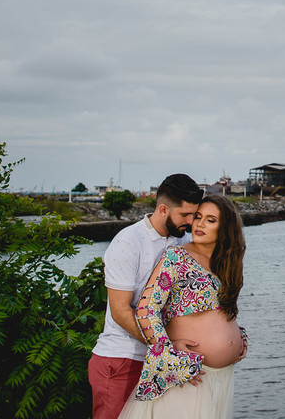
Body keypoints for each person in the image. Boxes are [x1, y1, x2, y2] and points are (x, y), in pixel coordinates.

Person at [118, 194, 248, 418]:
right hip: (187, 371)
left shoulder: (226, 263)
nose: (199, 223)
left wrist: (239, 336)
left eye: (210, 220)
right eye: (198, 217)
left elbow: (222, 310)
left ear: (225, 228)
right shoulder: (177, 256)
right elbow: (147, 309)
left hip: (221, 375)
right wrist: (169, 356)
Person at [89, 174, 205, 419]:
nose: (191, 221)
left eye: (194, 214)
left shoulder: (184, 241)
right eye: (185, 215)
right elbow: (121, 312)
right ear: (163, 209)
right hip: (123, 359)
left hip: (164, 364)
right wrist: (168, 348)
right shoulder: (128, 242)